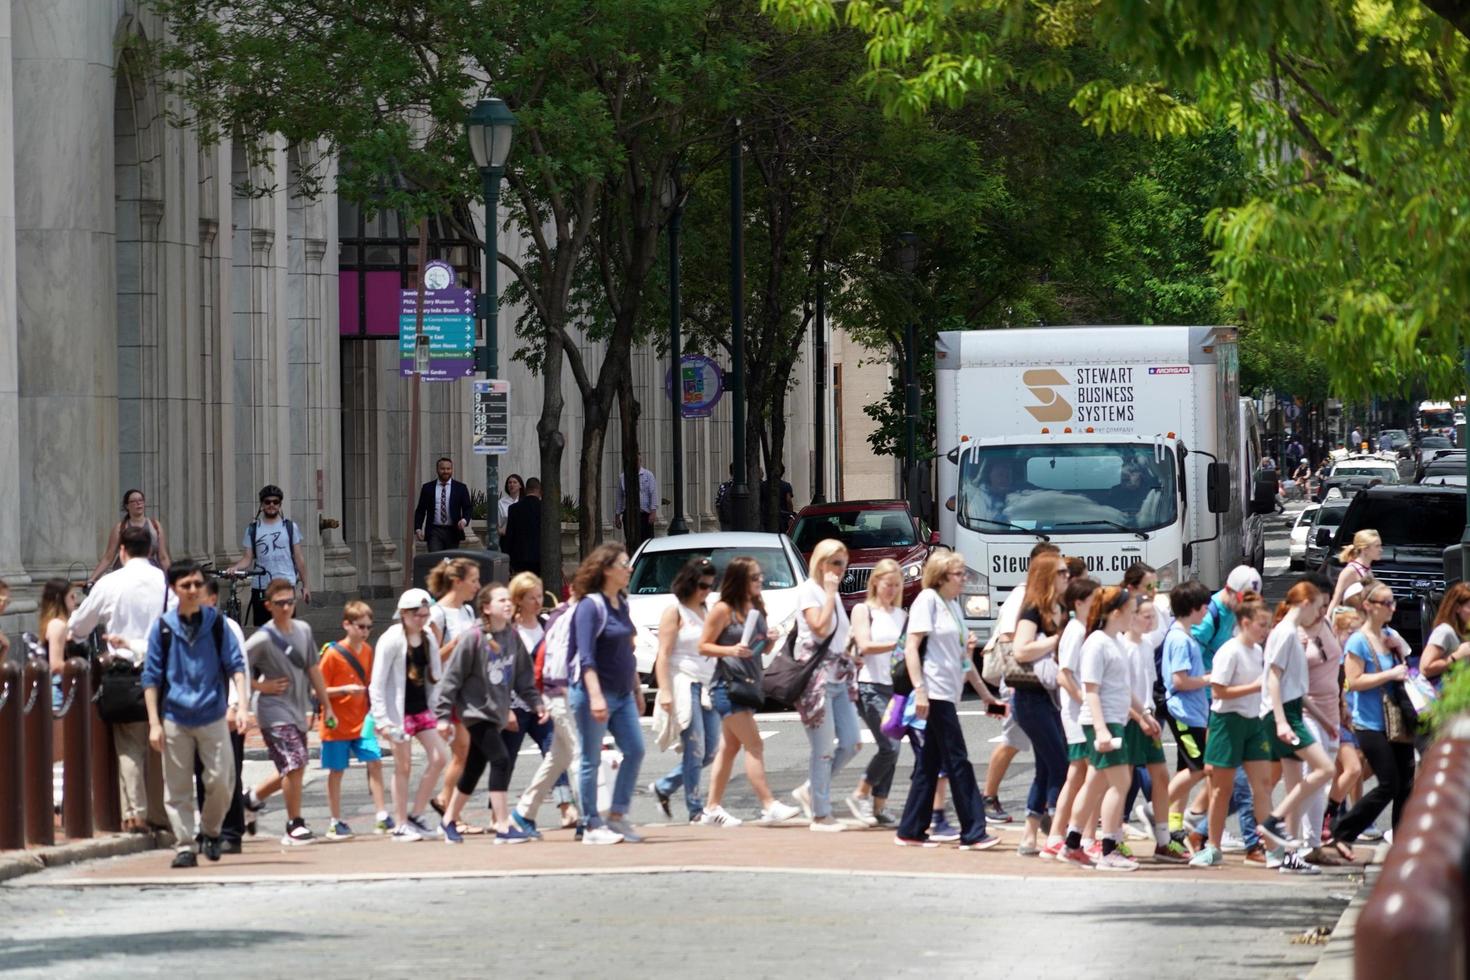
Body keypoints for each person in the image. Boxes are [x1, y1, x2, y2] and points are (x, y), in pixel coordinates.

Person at [141, 562, 250, 868]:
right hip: (175, 717)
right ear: (174, 590)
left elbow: (235, 666)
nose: (193, 590)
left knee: (221, 781)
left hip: (213, 715)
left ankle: (211, 831)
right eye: (186, 585)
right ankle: (185, 846)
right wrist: (154, 723)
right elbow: (151, 677)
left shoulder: (217, 624)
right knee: (178, 789)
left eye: (197, 584)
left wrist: (242, 705)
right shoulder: (162, 628)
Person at [69, 524, 175, 834]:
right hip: (162, 670)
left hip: (124, 672)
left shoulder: (110, 583)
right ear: (152, 551)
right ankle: (161, 814)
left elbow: (79, 627)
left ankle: (135, 814)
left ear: (122, 551)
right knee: (160, 746)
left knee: (130, 744)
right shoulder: (165, 583)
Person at [895, 551, 1000, 851]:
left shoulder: (953, 606)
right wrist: (921, 689)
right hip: (935, 691)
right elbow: (912, 648)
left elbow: (964, 662)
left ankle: (911, 829)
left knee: (929, 764)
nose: (964, 578)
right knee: (958, 761)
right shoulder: (927, 601)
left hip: (948, 692)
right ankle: (973, 830)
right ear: (941, 576)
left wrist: (986, 696)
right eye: (958, 573)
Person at [435, 583, 544, 844]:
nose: (508, 604)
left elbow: (523, 677)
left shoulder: (511, 636)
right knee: (501, 759)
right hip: (475, 712)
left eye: (509, 600)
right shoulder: (473, 638)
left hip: (496, 713)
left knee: (473, 768)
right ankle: (503, 825)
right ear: (486, 608)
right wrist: (441, 716)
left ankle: (448, 821)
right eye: (501, 601)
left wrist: (536, 703)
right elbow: (451, 680)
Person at [701, 557, 802, 827]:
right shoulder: (723, 610)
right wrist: (730, 650)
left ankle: (711, 807)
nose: (760, 582)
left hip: (748, 682)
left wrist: (768, 641)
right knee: (754, 744)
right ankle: (768, 804)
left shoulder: (756, 608)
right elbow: (704, 646)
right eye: (755, 578)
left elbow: (760, 651)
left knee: (730, 747)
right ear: (739, 580)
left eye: (760, 577)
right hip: (726, 685)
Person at [241, 578, 334, 845]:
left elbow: (313, 669)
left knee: (292, 765)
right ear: (268, 605)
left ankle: (251, 799)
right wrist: (261, 685)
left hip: (297, 708)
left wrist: (327, 705)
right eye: (280, 603)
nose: (286, 608)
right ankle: (294, 824)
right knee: (296, 762)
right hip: (271, 709)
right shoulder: (262, 638)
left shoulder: (303, 630)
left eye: (290, 602)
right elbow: (235, 667)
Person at [1189, 592, 1276, 868]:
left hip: (1252, 721)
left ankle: (1271, 847)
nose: (1265, 631)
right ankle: (1212, 846)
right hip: (1226, 723)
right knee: (1220, 790)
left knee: (1261, 786)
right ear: (1245, 622)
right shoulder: (1230, 650)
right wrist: (1256, 686)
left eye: (1267, 625)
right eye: (1261, 625)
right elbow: (1219, 691)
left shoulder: (1257, 651)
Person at [1255, 581, 1336, 874]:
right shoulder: (1286, 633)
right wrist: (1280, 721)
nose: (1319, 614)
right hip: (1283, 714)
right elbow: (1273, 678)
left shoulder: (1288, 633)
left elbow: (1293, 686)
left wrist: (1325, 720)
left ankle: (1291, 854)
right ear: (1305, 603)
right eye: (1317, 606)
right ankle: (1275, 820)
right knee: (1324, 769)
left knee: (1294, 784)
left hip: (1290, 711)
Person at [981, 541, 1063, 822]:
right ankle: (988, 797)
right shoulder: (1023, 597)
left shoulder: (1044, 599)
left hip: (1036, 683)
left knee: (1039, 751)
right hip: (1019, 679)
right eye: (1056, 567)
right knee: (1013, 738)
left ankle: (1040, 814)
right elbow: (1010, 640)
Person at [569, 544, 645, 844]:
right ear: (606, 570)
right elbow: (585, 656)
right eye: (624, 564)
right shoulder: (590, 606)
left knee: (636, 749)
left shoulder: (621, 603)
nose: (629, 569)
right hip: (593, 693)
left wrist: (637, 688)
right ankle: (590, 824)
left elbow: (628, 648)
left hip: (624, 692)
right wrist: (596, 696)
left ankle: (617, 815)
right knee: (590, 758)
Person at [1332, 583, 1416, 845]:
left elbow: (1405, 672)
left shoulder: (1390, 635)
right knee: (1388, 784)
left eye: (1393, 602)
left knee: (1406, 783)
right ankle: (1342, 831)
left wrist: (1399, 652)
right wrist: (1389, 674)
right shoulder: (1358, 640)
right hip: (1369, 722)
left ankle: (1401, 837)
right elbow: (1354, 681)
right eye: (1386, 603)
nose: (1392, 608)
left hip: (1396, 722)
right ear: (1368, 606)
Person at [791, 539, 862, 832]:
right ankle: (820, 814)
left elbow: (838, 638)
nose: (840, 570)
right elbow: (819, 628)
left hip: (839, 680)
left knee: (852, 743)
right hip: (816, 683)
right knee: (823, 750)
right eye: (835, 563)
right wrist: (831, 594)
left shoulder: (830, 595)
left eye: (844, 564)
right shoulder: (810, 591)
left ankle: (811, 789)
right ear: (821, 563)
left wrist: (853, 655)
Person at [369, 589, 448, 841]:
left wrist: (440, 713)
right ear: (404, 614)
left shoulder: (428, 638)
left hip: (421, 709)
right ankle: (400, 823)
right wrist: (381, 719)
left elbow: (435, 677)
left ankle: (416, 814)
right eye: (417, 615)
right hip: (397, 713)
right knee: (403, 766)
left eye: (425, 615)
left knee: (439, 757)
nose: (422, 619)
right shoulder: (391, 639)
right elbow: (377, 683)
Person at [649, 558, 721, 824]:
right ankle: (695, 810)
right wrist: (665, 691)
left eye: (710, 586)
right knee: (695, 748)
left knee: (711, 750)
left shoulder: (708, 610)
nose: (706, 591)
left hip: (707, 684)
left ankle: (665, 786)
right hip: (684, 682)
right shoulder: (675, 611)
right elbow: (664, 654)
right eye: (702, 585)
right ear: (689, 582)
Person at [1009, 553, 1072, 856]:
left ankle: (1030, 834)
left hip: (1053, 697)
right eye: (1061, 572)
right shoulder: (1033, 609)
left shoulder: (1062, 608)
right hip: (1030, 697)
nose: (1067, 577)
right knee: (1060, 765)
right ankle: (1056, 830)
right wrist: (1055, 640)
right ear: (1047, 577)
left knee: (1046, 767)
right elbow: (1021, 650)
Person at [1121, 598, 1190, 864]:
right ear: (1131, 617)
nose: (1152, 621)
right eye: (1146, 616)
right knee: (1121, 781)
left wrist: (1147, 715)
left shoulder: (1147, 645)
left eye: (1153, 616)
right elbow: (1121, 691)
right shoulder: (1123, 647)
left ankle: (1163, 841)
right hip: (1130, 721)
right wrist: (1140, 717)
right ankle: (1112, 839)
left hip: (1146, 718)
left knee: (1161, 777)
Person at [509, 573, 579, 834]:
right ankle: (500, 813)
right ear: (519, 599)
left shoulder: (545, 623)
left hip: (542, 704)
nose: (538, 602)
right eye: (531, 597)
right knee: (505, 760)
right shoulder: (510, 630)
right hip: (516, 704)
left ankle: (566, 808)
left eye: (540, 596)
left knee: (555, 753)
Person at [1039, 576, 1099, 859]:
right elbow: (1065, 674)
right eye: (1094, 598)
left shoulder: (1078, 628)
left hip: (1076, 713)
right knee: (1092, 776)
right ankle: (1085, 837)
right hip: (1078, 715)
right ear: (1079, 602)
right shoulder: (1076, 630)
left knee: (1078, 776)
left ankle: (1058, 836)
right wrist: (1085, 701)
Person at [319, 601, 388, 840]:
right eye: (361, 626)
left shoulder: (368, 651)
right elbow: (318, 689)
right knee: (337, 770)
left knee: (375, 761)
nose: (365, 632)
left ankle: (381, 815)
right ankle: (335, 820)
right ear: (347, 625)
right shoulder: (332, 654)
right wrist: (343, 689)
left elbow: (371, 685)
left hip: (362, 721)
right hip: (336, 723)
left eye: (369, 627)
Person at [847, 559, 906, 828]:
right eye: (887, 585)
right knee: (889, 746)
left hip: (895, 687)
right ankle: (860, 793)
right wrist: (897, 645)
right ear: (875, 583)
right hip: (870, 685)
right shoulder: (863, 610)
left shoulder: (901, 615)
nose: (891, 590)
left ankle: (879, 806)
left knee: (893, 749)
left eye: (896, 585)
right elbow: (865, 645)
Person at [425, 557, 482, 826]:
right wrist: (458, 643)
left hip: (466, 690)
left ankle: (446, 802)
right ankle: (449, 808)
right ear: (457, 582)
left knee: (465, 752)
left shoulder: (468, 612)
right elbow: (431, 658)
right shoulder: (438, 614)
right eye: (473, 581)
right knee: (463, 752)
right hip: (446, 692)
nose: (477, 586)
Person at [1297, 575, 1348, 866]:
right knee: (1314, 773)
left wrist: (1342, 704)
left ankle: (1312, 843)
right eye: (1319, 605)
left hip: (1331, 710)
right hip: (1307, 713)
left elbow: (1335, 668)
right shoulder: (1294, 633)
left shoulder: (1327, 624)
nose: (1323, 610)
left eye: (1326, 605)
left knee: (1323, 781)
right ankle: (1289, 832)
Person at [1160, 581, 1214, 841]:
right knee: (1199, 767)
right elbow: (1179, 681)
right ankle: (1155, 810)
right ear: (1194, 608)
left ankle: (1173, 824)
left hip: (1192, 712)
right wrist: (1207, 679)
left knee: (1187, 768)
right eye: (1204, 607)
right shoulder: (1181, 639)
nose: (1206, 612)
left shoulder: (1182, 634)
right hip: (1184, 713)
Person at [200, 578, 251, 852]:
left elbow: (238, 668)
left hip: (225, 712)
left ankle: (232, 832)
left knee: (230, 772)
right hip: (197, 713)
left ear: (212, 599)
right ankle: (209, 830)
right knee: (204, 774)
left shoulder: (227, 627)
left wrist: (236, 706)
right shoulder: (182, 624)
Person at [229, 485, 309, 626]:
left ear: (280, 504)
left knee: (286, 628)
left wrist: (306, 585)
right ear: (262, 504)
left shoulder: (290, 527)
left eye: (275, 502)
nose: (271, 505)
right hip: (261, 586)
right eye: (267, 502)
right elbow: (247, 558)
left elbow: (298, 558)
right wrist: (235, 568)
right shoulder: (253, 529)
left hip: (286, 584)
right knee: (263, 630)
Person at [89, 488, 170, 584]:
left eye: (140, 500)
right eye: (134, 501)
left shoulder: (155, 526)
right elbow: (108, 557)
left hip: (149, 572)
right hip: (125, 573)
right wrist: (92, 579)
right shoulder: (120, 527)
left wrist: (173, 578)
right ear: (127, 506)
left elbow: (163, 556)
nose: (138, 503)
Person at [414, 457, 472, 553]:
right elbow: (420, 510)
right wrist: (418, 528)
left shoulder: (460, 488)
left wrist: (464, 520)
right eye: (442, 469)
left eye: (448, 469)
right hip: (434, 531)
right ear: (437, 470)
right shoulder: (427, 488)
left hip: (453, 531)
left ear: (452, 469)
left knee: (450, 562)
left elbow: (468, 508)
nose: (445, 471)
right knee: (436, 560)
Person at [1421, 582, 1470, 686]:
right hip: (1446, 697)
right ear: (1457, 608)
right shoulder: (1445, 632)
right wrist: (1457, 656)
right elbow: (1425, 668)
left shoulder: (1465, 633)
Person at [613, 453, 659, 543]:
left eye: (637, 461)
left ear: (640, 461)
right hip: (629, 515)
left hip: (644, 514)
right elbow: (620, 497)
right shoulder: (623, 477)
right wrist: (617, 516)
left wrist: (653, 512)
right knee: (631, 541)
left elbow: (653, 494)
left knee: (646, 541)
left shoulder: (648, 475)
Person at [1330, 530, 1381, 610]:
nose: (1381, 550)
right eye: (1377, 546)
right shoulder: (1350, 571)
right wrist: (1327, 621)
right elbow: (1335, 601)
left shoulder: (1367, 570)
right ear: (1365, 549)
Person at [503, 476, 544, 576]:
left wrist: (507, 556)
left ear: (525, 490)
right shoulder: (544, 508)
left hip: (519, 557)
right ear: (539, 490)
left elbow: (510, 535)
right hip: (540, 557)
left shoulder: (514, 508)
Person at [496, 473, 524, 540]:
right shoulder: (501, 502)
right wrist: (499, 530)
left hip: (522, 537)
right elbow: (497, 523)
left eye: (515, 482)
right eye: (509, 482)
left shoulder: (524, 501)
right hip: (507, 537)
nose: (512, 485)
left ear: (520, 485)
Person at [714, 464, 736, 531]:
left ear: (730, 472)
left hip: (725, 521)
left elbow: (717, 504)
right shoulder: (745, 486)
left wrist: (721, 517)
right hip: (740, 520)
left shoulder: (723, 486)